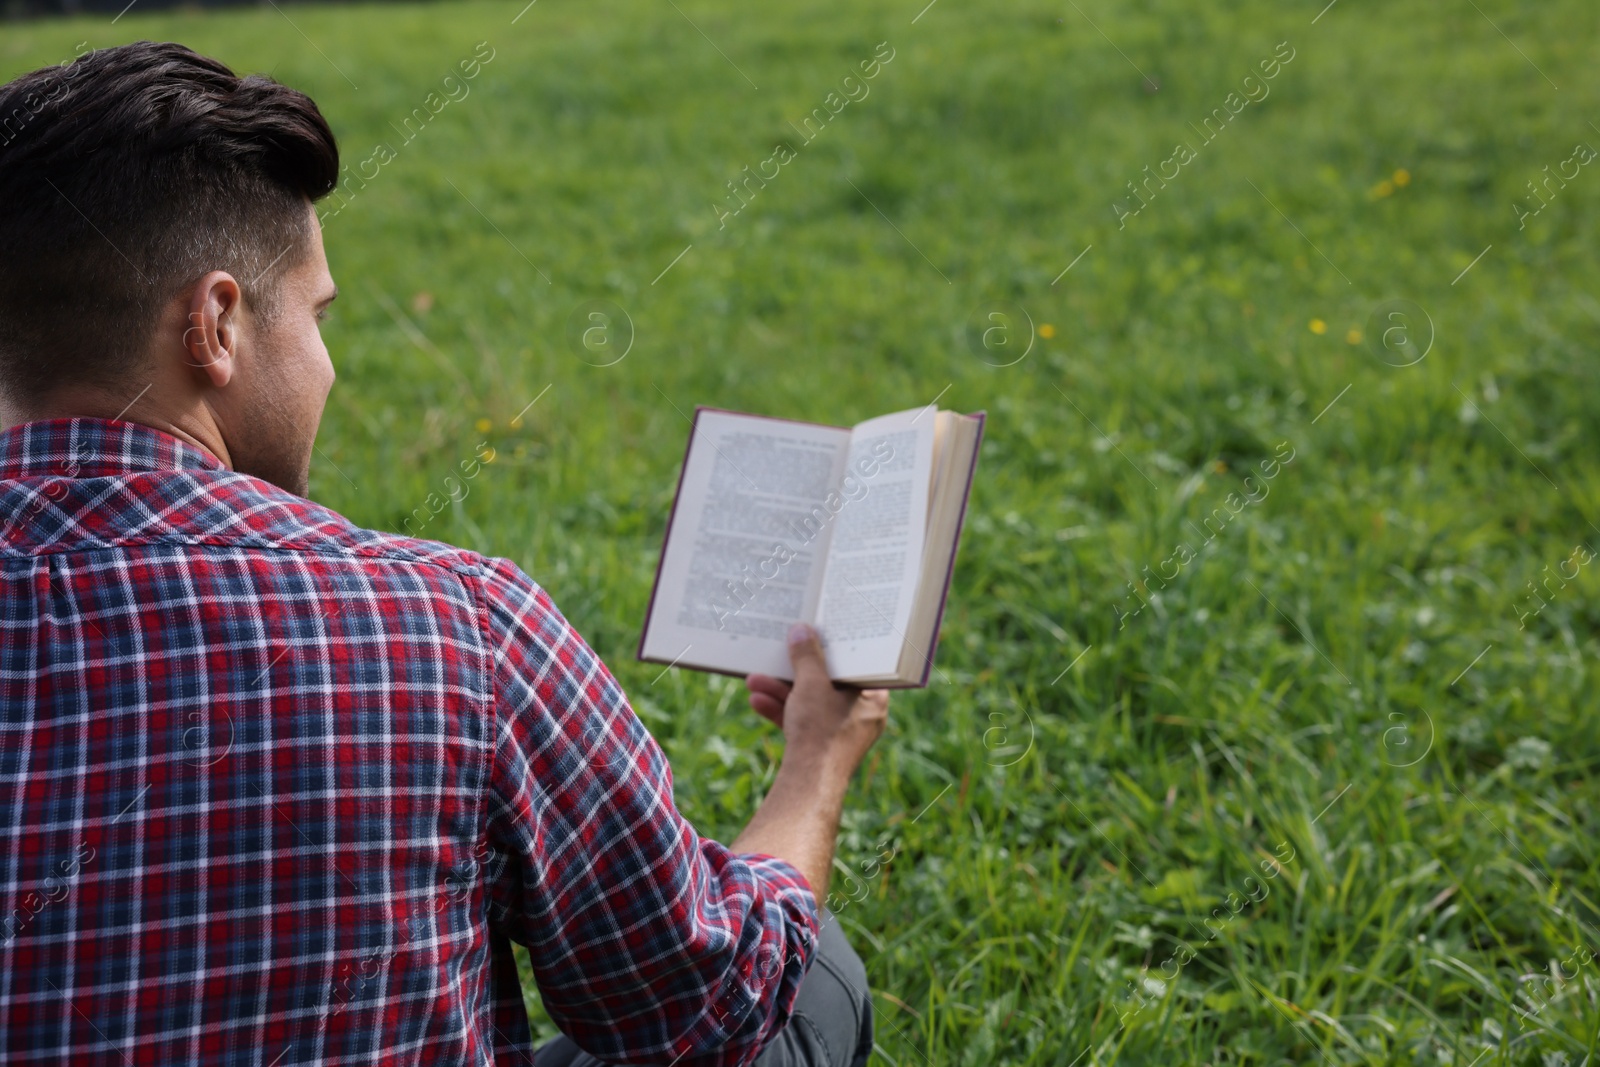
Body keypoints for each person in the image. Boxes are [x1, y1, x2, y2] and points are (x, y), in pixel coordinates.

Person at [0, 41, 886, 1067]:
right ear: (215, 325)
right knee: (811, 977)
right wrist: (814, 763)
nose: (327, 363)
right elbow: (704, 1005)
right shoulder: (456, 623)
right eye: (317, 313)